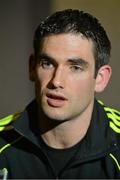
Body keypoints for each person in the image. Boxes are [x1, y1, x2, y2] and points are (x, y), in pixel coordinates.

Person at [0, 9, 120, 179]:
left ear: (100, 79)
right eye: (47, 63)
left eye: (75, 68)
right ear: (32, 68)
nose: (56, 81)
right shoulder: (2, 140)